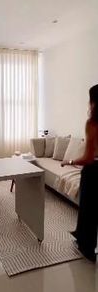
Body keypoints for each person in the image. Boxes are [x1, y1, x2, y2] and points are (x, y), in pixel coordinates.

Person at [61, 85, 98, 262]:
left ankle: (87, 248)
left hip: (94, 172)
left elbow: (89, 158)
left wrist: (69, 162)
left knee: (88, 209)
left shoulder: (92, 123)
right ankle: (80, 235)